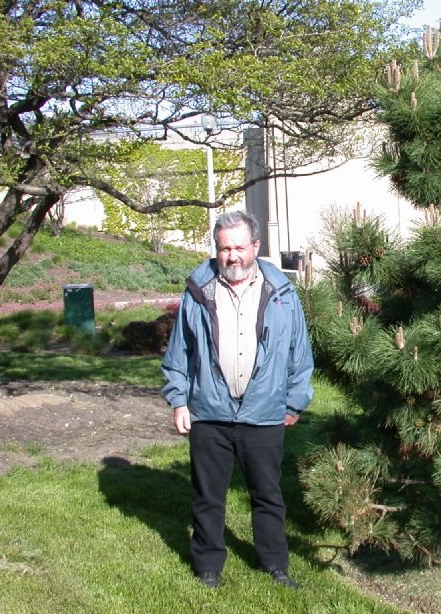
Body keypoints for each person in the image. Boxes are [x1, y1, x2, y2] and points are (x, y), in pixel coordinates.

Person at [161, 211, 313, 590]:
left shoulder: (282, 294)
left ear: (256, 247)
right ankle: (207, 565)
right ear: (217, 249)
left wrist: (294, 403)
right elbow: (179, 354)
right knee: (208, 497)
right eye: (224, 248)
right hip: (209, 413)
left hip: (263, 413)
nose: (232, 256)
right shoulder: (199, 291)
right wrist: (179, 401)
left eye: (239, 247)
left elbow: (300, 353)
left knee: (268, 496)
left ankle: (275, 564)